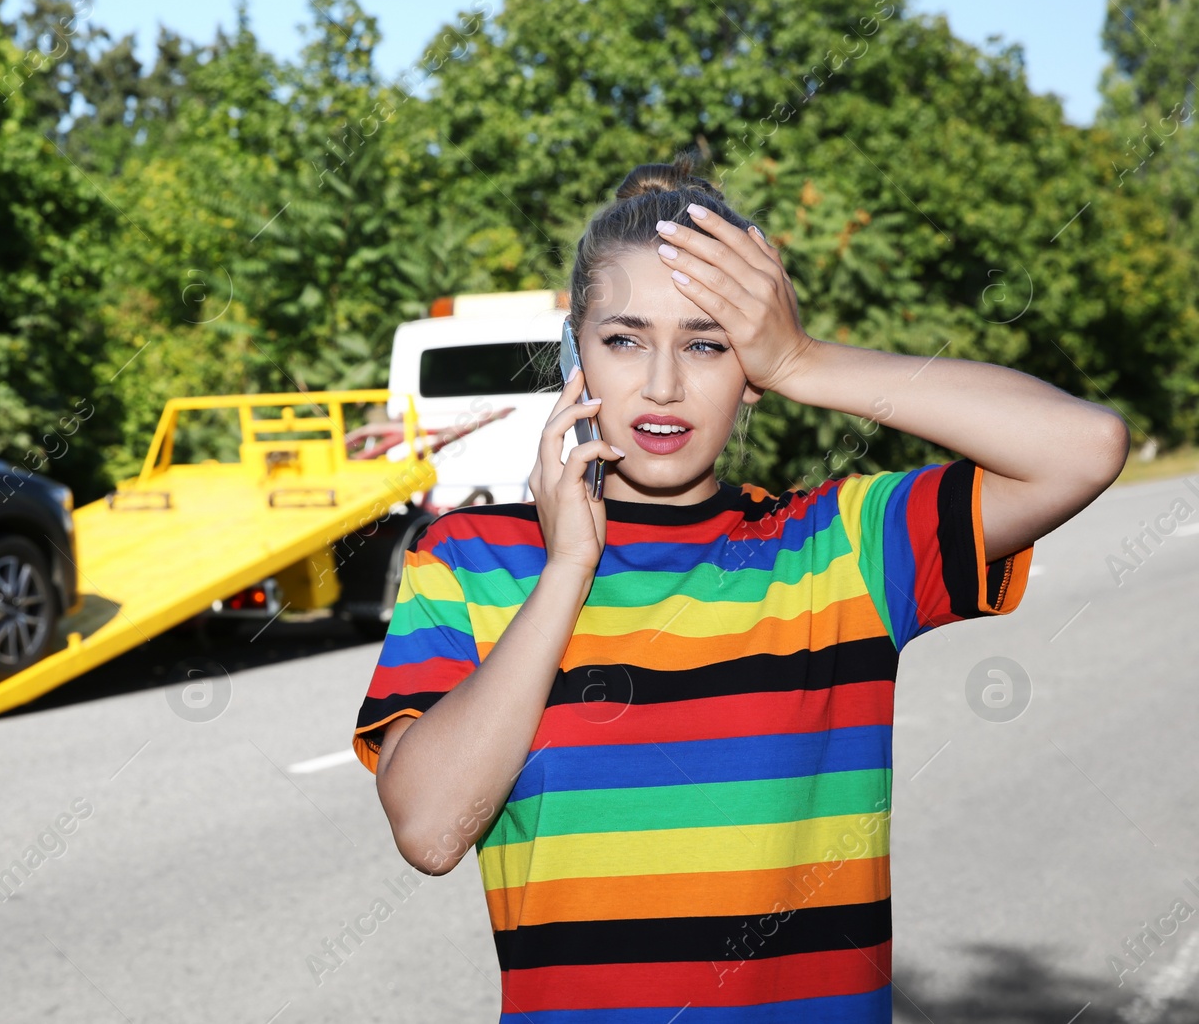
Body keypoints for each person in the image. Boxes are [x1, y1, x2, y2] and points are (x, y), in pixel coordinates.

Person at [349, 155, 1130, 1021]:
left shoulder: (837, 549)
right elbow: (430, 831)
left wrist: (804, 358)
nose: (662, 384)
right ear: (575, 350)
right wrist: (568, 570)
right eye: (624, 339)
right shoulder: (471, 558)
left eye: (707, 343)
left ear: (750, 372)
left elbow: (1084, 445)